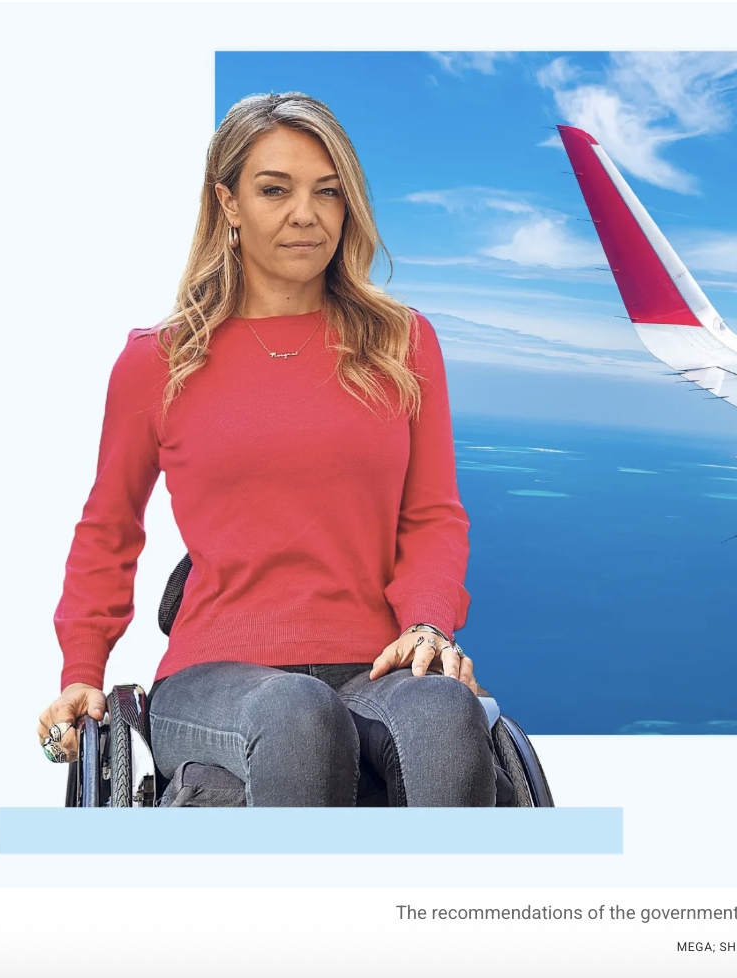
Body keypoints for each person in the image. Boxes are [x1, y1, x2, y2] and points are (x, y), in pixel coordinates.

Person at [36, 92, 495, 806]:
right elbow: (109, 530)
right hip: (215, 673)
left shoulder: (404, 345)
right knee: (295, 714)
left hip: (374, 661)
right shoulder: (159, 361)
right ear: (228, 202)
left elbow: (433, 515)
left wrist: (429, 622)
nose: (305, 215)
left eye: (328, 192)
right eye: (275, 190)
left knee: (447, 713)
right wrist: (80, 670)